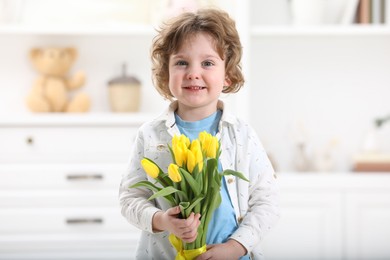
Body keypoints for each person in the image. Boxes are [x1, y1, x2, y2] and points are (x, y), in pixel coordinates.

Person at [119, 8, 280, 260]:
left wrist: (236, 247)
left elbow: (267, 202)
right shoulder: (150, 135)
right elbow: (130, 199)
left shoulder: (241, 134)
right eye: (182, 62)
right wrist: (162, 220)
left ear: (227, 75)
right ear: (166, 73)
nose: (194, 72)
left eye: (207, 63)